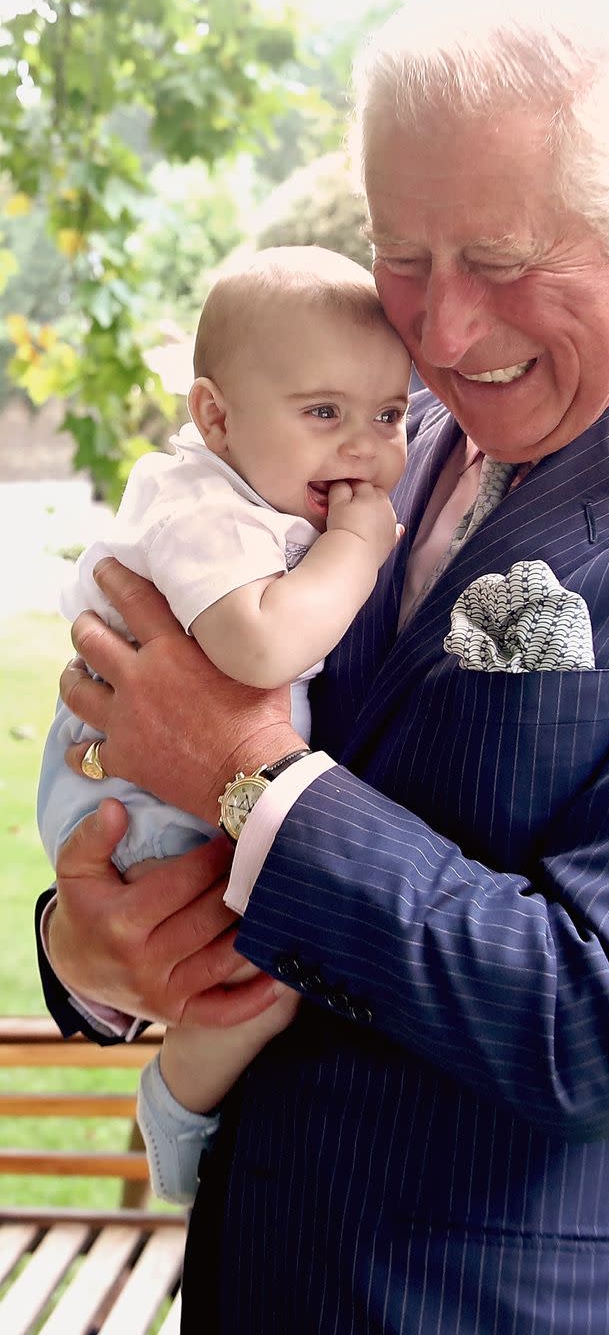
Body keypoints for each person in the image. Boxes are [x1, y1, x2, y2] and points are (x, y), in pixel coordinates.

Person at [35, 0, 609, 1333]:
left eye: (505, 264)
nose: (444, 332)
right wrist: (94, 954)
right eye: (406, 256)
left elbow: (596, 1024)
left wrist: (247, 779)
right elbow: (170, 808)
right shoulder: (363, 441)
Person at [38, 244, 409, 1200]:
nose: (363, 447)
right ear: (215, 416)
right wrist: (358, 549)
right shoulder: (203, 508)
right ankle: (174, 1111)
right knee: (258, 979)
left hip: (174, 793)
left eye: (389, 415)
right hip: (142, 807)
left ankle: (177, 1099)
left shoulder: (266, 486)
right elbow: (259, 648)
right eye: (323, 413)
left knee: (270, 968)